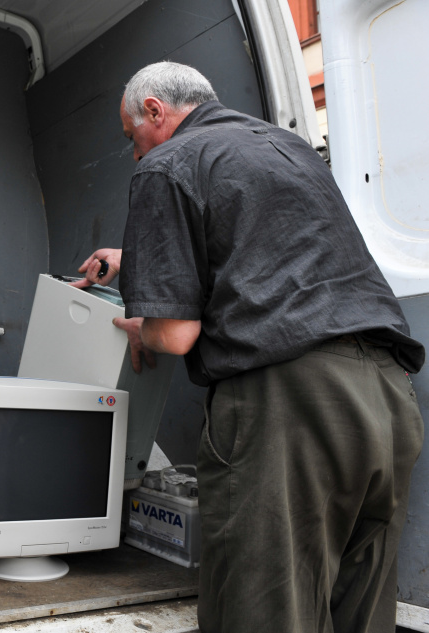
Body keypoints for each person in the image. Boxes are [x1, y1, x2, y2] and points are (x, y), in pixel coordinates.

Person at [74, 61, 425, 633]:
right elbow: (264, 254)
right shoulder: (289, 148)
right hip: (388, 399)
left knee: (265, 611)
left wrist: (143, 326)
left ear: (155, 111)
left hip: (291, 407)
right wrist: (134, 261)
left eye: (130, 136)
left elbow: (175, 334)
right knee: (360, 612)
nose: (134, 153)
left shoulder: (166, 163)